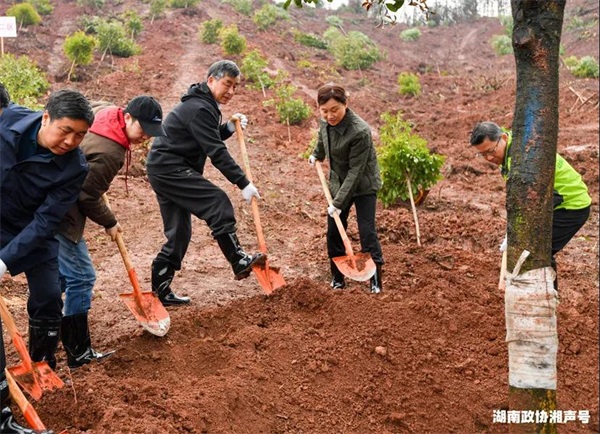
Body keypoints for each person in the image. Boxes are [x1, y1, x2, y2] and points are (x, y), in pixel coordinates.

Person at [1, 85, 92, 433]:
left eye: (80, 135)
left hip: (33, 231)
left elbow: (46, 221)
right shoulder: (7, 122)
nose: (70, 141)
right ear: (46, 117)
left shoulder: (75, 168)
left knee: (50, 296)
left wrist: (4, 261)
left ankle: (40, 362)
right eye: (65, 130)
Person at [56, 95, 166, 368]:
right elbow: (87, 196)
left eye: (151, 132)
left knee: (57, 276)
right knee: (81, 277)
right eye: (143, 129)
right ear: (127, 117)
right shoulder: (110, 152)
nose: (145, 137)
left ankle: (49, 330)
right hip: (61, 211)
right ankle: (78, 351)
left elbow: (91, 104)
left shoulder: (105, 111)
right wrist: (110, 221)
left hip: (49, 192)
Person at [146, 59, 265, 304]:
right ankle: (237, 258)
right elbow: (216, 152)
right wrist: (243, 183)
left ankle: (161, 291)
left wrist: (227, 129)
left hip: (163, 168)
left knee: (179, 233)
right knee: (217, 202)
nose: (231, 91)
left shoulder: (202, 104)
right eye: (227, 84)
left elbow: (205, 136)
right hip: (170, 168)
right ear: (211, 80)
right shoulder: (200, 107)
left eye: (235, 86)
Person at [469, 121, 592, 289]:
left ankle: (547, 298)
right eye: (483, 154)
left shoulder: (522, 160)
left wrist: (515, 232)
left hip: (569, 205)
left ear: (503, 138)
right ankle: (539, 294)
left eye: (491, 151)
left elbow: (536, 200)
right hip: (550, 202)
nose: (489, 158)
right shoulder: (510, 152)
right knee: (532, 250)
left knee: (538, 252)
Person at [308, 84, 384, 294]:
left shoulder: (360, 131)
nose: (330, 116)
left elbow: (355, 172)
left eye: (335, 110)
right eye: (324, 111)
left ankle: (375, 278)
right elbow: (324, 138)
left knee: (366, 230)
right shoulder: (325, 122)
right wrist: (317, 154)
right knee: (334, 230)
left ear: (346, 104)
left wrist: (338, 203)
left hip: (363, 184)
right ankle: (338, 277)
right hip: (338, 181)